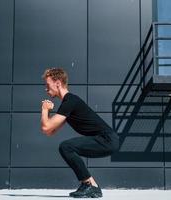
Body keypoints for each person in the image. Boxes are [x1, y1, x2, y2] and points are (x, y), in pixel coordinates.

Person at [41, 67, 119, 198]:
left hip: (107, 139)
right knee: (66, 147)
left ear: (58, 83)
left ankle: (90, 185)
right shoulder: (68, 104)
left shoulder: (70, 101)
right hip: (106, 139)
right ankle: (91, 186)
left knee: (66, 147)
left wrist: (44, 109)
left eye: (48, 85)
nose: (46, 89)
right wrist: (47, 112)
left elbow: (45, 127)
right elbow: (50, 132)